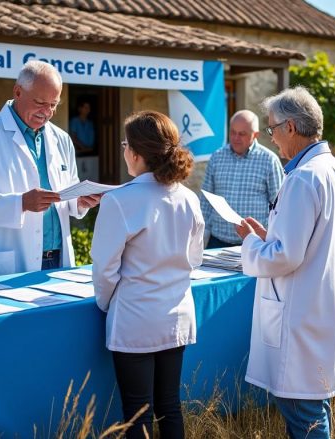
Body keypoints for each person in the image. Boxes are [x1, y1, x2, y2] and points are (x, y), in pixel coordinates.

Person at [235, 86, 335, 439]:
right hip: (321, 309)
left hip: (299, 316)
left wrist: (249, 244)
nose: (271, 138)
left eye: (272, 128)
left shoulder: (303, 177)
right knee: (313, 409)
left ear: (290, 127)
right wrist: (266, 237)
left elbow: (286, 256)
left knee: (303, 414)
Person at [91, 111, 204, 439]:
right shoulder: (188, 198)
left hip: (136, 318)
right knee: (170, 406)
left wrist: (107, 303)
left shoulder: (119, 201)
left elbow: (104, 269)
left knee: (137, 410)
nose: (123, 150)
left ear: (137, 153)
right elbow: (194, 259)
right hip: (177, 316)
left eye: (125, 144)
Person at [0, 60, 101, 279]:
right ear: (18, 92)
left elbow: (67, 191)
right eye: (40, 102)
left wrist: (79, 201)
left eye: (53, 104)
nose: (47, 112)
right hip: (8, 262)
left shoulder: (61, 139)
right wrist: (20, 203)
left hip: (57, 259)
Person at [200, 110, 284, 248]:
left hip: (254, 243)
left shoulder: (269, 160)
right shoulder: (217, 157)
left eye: (242, 134)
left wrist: (272, 239)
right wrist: (201, 236)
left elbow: (279, 205)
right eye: (233, 132)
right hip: (217, 241)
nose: (236, 138)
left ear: (255, 135)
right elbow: (205, 202)